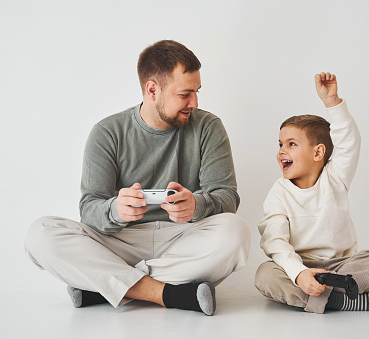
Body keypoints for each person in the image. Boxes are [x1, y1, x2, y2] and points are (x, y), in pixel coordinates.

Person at [25, 40, 250, 316]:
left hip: (181, 237)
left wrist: (197, 206)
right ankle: (168, 293)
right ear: (152, 89)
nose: (195, 102)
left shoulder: (208, 127)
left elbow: (227, 197)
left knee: (236, 232)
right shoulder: (107, 132)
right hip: (119, 240)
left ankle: (107, 286)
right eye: (185, 94)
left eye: (197, 92)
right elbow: (89, 211)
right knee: (41, 235)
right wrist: (116, 210)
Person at [254, 72, 369, 314]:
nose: (282, 151)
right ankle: (343, 301)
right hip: (300, 265)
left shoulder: (335, 177)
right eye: (280, 144)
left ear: (318, 153)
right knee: (265, 275)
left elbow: (349, 142)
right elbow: (275, 241)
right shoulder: (278, 193)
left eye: (291, 144)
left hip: (341, 266)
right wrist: (299, 273)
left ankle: (324, 296)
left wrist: (332, 102)